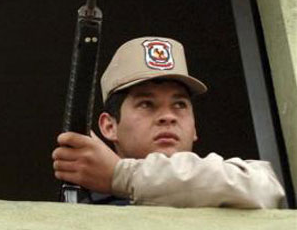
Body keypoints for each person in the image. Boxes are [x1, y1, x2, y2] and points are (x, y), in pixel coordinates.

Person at [52, 37, 286, 208]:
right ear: (109, 126)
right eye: (146, 104)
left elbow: (264, 189)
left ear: (194, 127)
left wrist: (122, 176)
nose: (168, 116)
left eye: (180, 105)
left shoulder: (234, 181)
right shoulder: (83, 209)